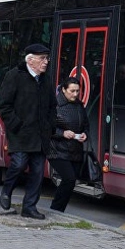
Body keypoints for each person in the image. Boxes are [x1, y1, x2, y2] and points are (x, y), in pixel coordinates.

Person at [0, 43, 57, 219]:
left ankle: (29, 207)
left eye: (47, 58)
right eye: (42, 59)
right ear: (30, 60)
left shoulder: (46, 79)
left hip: (40, 135)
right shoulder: (14, 76)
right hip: (21, 133)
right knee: (19, 164)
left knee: (38, 173)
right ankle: (7, 191)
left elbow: (53, 105)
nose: (46, 62)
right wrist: (16, 125)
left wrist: (50, 125)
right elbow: (3, 104)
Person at [47, 77, 89, 212]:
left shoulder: (79, 105)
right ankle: (56, 210)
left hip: (75, 150)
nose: (75, 94)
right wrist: (62, 133)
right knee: (69, 179)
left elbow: (86, 125)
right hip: (56, 150)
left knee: (70, 182)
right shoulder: (54, 105)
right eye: (72, 91)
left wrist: (85, 134)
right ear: (64, 90)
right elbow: (45, 127)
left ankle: (58, 210)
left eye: (77, 91)